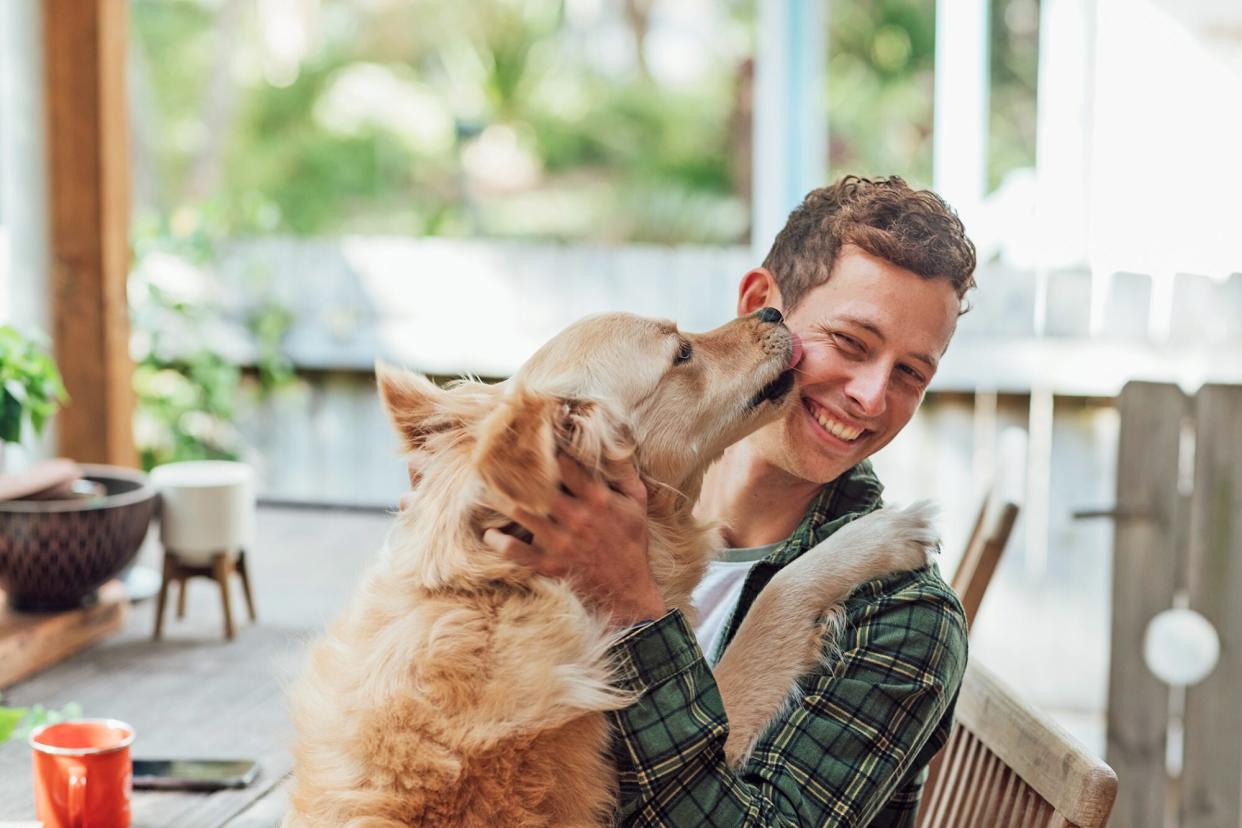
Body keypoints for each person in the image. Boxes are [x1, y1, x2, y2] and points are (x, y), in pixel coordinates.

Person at [481, 175, 976, 826]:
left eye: (911, 373)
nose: (871, 396)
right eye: (851, 343)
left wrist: (632, 604)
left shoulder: (900, 615)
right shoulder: (581, 514)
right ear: (760, 304)